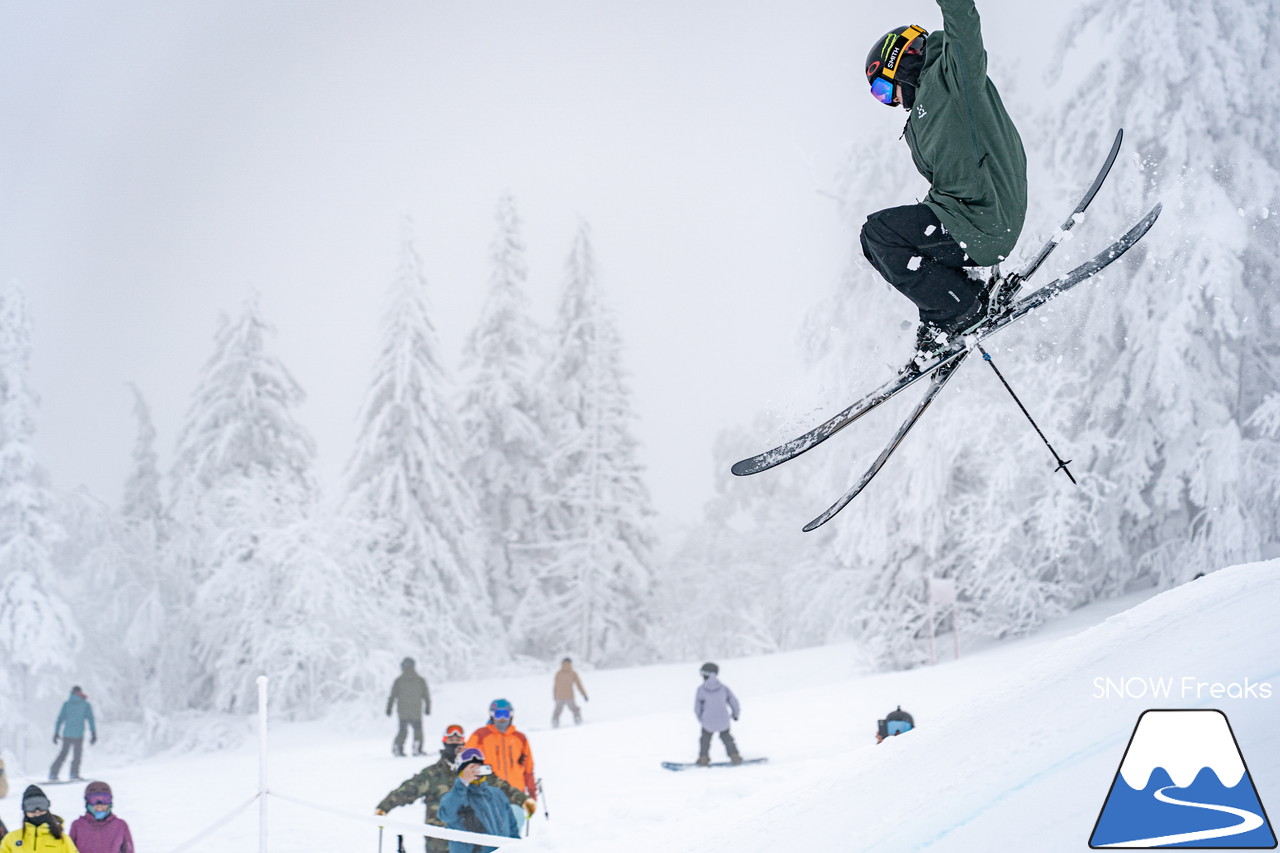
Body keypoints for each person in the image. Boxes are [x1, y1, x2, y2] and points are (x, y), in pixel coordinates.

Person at [859, 0, 1027, 370]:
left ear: (900, 64)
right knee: (877, 244)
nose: (891, 103)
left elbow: (962, 21)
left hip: (984, 220)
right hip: (965, 220)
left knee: (879, 233)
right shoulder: (921, 118)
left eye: (885, 92)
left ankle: (958, 308)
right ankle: (947, 311)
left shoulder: (954, 75)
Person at [375, 724, 534, 853]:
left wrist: (523, 800)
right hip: (440, 842)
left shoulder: (477, 770)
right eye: (451, 739)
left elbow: (502, 788)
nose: (456, 743)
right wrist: (384, 807)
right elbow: (406, 791)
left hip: (472, 842)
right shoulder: (432, 774)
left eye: (459, 739)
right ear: (445, 743)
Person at [437, 748, 521, 853]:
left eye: (479, 766)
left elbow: (512, 828)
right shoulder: (455, 797)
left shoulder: (496, 794)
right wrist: (462, 783)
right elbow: (446, 815)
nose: (476, 771)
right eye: (472, 768)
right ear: (462, 771)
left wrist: (517, 848)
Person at [0, 785, 78, 853]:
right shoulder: (12, 839)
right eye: (31, 806)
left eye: (41, 804)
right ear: (24, 808)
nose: (37, 810)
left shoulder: (62, 840)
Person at [694, 662, 742, 766]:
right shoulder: (724, 688)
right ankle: (735, 756)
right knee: (727, 738)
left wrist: (701, 719)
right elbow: (734, 702)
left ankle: (703, 759)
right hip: (723, 720)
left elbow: (697, 708)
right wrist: (735, 714)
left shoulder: (701, 690)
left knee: (705, 740)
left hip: (708, 721)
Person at [69, 781, 134, 853]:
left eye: (105, 799)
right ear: (87, 802)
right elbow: (69, 850)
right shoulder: (78, 825)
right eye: (93, 799)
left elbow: (129, 850)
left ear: (110, 802)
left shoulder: (120, 825)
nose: (99, 804)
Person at [387, 657, 432, 757]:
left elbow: (392, 696)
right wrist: (428, 708)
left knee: (402, 730)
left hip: (403, 711)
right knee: (418, 730)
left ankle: (398, 747)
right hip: (416, 710)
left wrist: (389, 708)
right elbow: (426, 696)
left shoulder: (398, 681)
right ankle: (417, 747)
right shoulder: (420, 680)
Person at [52, 686, 97, 781]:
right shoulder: (85, 705)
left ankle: (53, 773)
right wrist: (93, 733)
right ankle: (74, 773)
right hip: (78, 734)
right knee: (77, 755)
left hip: (67, 734)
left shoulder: (66, 704)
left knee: (63, 754)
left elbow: (60, 719)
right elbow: (91, 719)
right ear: (80, 692)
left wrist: (56, 733)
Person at [551, 658, 589, 728]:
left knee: (557, 709)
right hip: (569, 695)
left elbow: (555, 686)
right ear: (570, 663)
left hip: (559, 695)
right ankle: (578, 719)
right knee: (574, 709)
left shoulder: (558, 673)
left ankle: (555, 721)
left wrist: (554, 695)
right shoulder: (573, 673)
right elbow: (579, 685)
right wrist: (584, 694)